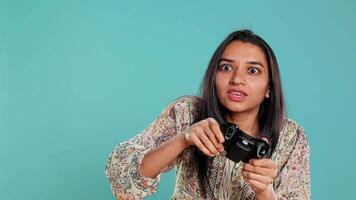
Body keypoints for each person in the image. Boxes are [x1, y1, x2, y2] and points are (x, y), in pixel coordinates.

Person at [104, 30, 311, 200]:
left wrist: (264, 191)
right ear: (214, 76)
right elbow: (121, 182)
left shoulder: (291, 137)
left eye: (253, 71)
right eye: (226, 67)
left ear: (269, 88)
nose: (237, 79)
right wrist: (184, 138)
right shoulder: (188, 112)